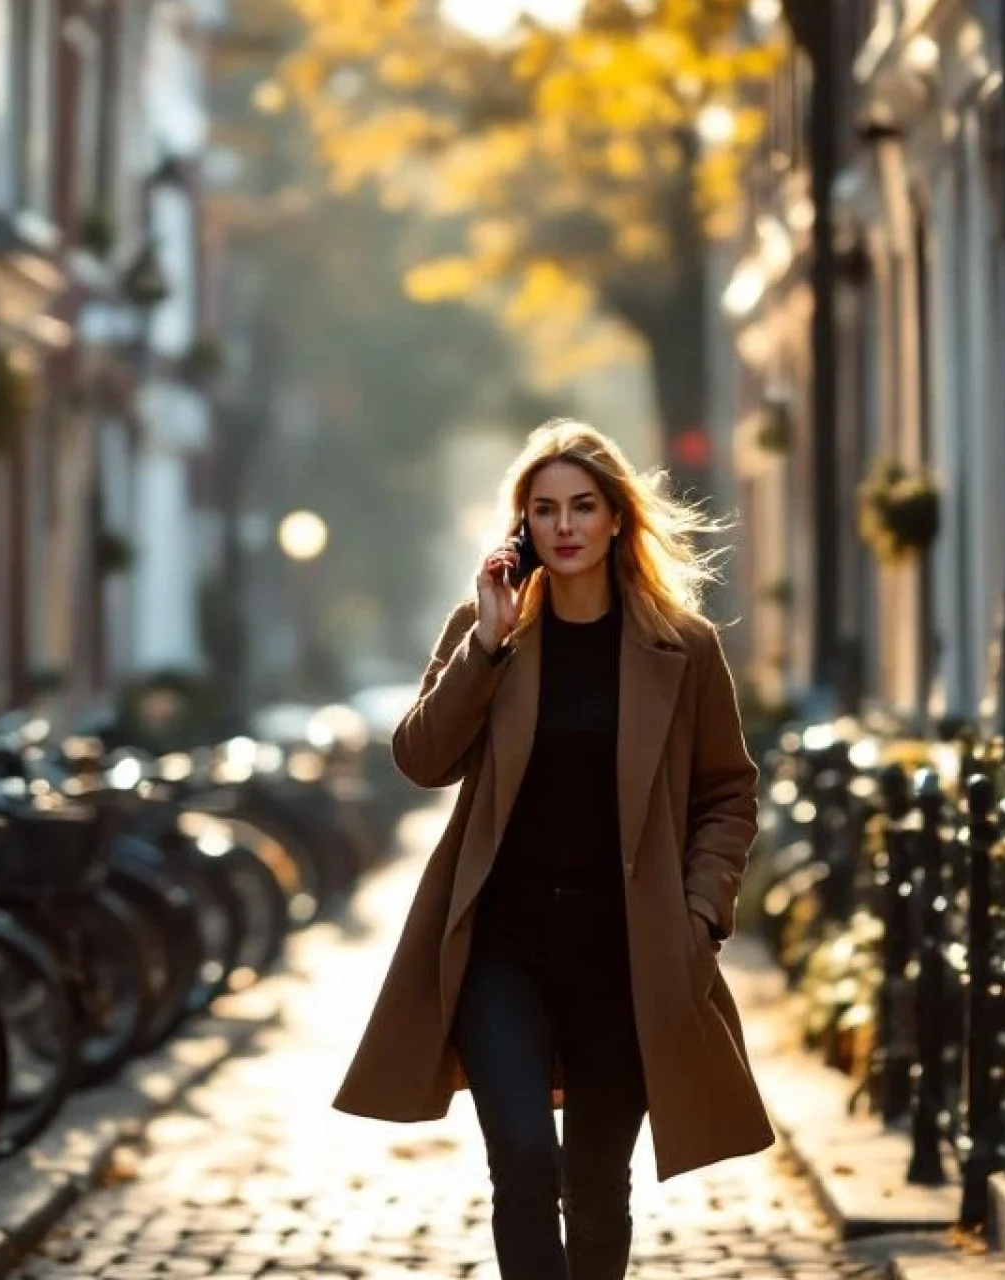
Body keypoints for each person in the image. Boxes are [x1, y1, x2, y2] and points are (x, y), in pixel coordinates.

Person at [333, 420, 774, 1279]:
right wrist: (487, 642)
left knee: (601, 1182)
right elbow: (421, 760)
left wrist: (697, 916)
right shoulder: (488, 631)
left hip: (628, 951)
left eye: (582, 506)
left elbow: (728, 792)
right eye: (545, 510)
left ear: (617, 518)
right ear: (521, 527)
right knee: (526, 1164)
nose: (564, 526)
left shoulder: (682, 648)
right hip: (504, 946)